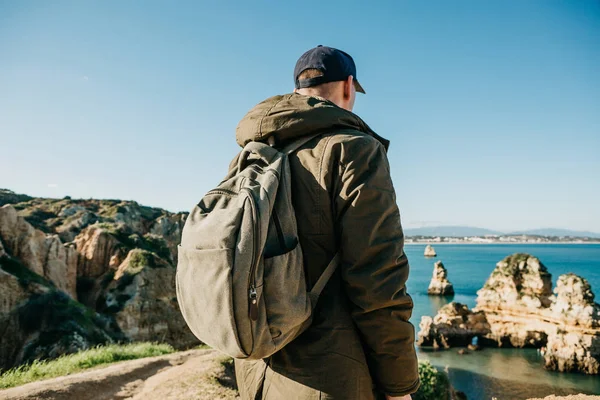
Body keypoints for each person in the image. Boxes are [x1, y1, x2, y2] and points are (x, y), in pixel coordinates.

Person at [233, 45, 419, 400]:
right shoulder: (354, 149)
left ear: (297, 90)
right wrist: (400, 386)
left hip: (257, 368)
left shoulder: (251, 155)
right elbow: (378, 280)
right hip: (331, 377)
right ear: (348, 87)